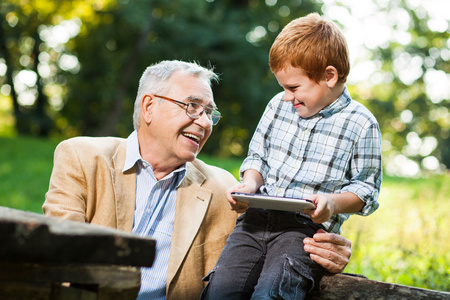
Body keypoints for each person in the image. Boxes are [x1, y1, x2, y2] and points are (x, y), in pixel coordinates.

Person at [43, 60, 353, 300]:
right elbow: (60, 257)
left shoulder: (226, 190)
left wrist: (324, 248)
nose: (204, 122)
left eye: (210, 113)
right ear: (149, 107)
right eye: (192, 106)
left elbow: (273, 241)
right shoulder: (82, 157)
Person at [201, 13, 382, 300]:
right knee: (221, 291)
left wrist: (332, 203)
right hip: (254, 221)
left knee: (273, 293)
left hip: (302, 230)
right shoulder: (277, 106)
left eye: (293, 88)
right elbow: (257, 157)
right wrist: (249, 186)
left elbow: (366, 189)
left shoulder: (361, 123)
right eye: (283, 88)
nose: (287, 97)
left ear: (329, 76)